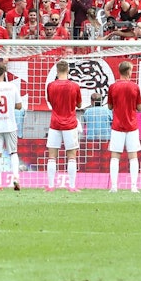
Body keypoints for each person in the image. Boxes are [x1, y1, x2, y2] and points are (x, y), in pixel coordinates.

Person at [45, 59, 82, 192]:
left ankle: (51, 186)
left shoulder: (50, 86)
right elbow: (79, 104)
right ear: (68, 70)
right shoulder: (74, 86)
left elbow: (50, 101)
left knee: (52, 156)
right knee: (71, 156)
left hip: (55, 123)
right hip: (70, 124)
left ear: (57, 70)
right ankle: (71, 186)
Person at [107, 61, 141, 192]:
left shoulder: (113, 87)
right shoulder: (135, 87)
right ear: (128, 72)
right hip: (132, 125)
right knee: (133, 156)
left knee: (115, 156)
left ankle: (114, 186)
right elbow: (139, 107)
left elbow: (110, 106)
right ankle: (134, 186)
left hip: (117, 125)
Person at [0, 62, 22, 191]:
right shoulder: (12, 87)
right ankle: (16, 177)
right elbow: (19, 106)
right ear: (4, 73)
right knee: (13, 152)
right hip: (10, 125)